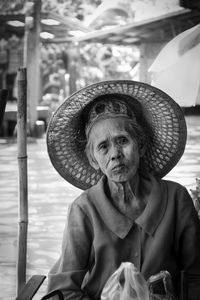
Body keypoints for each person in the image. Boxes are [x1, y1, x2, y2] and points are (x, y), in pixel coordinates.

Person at [46, 80, 200, 299]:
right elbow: (62, 290)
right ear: (93, 159)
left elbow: (195, 276)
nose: (115, 154)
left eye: (122, 141)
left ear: (141, 146)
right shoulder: (84, 209)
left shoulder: (176, 198)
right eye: (103, 147)